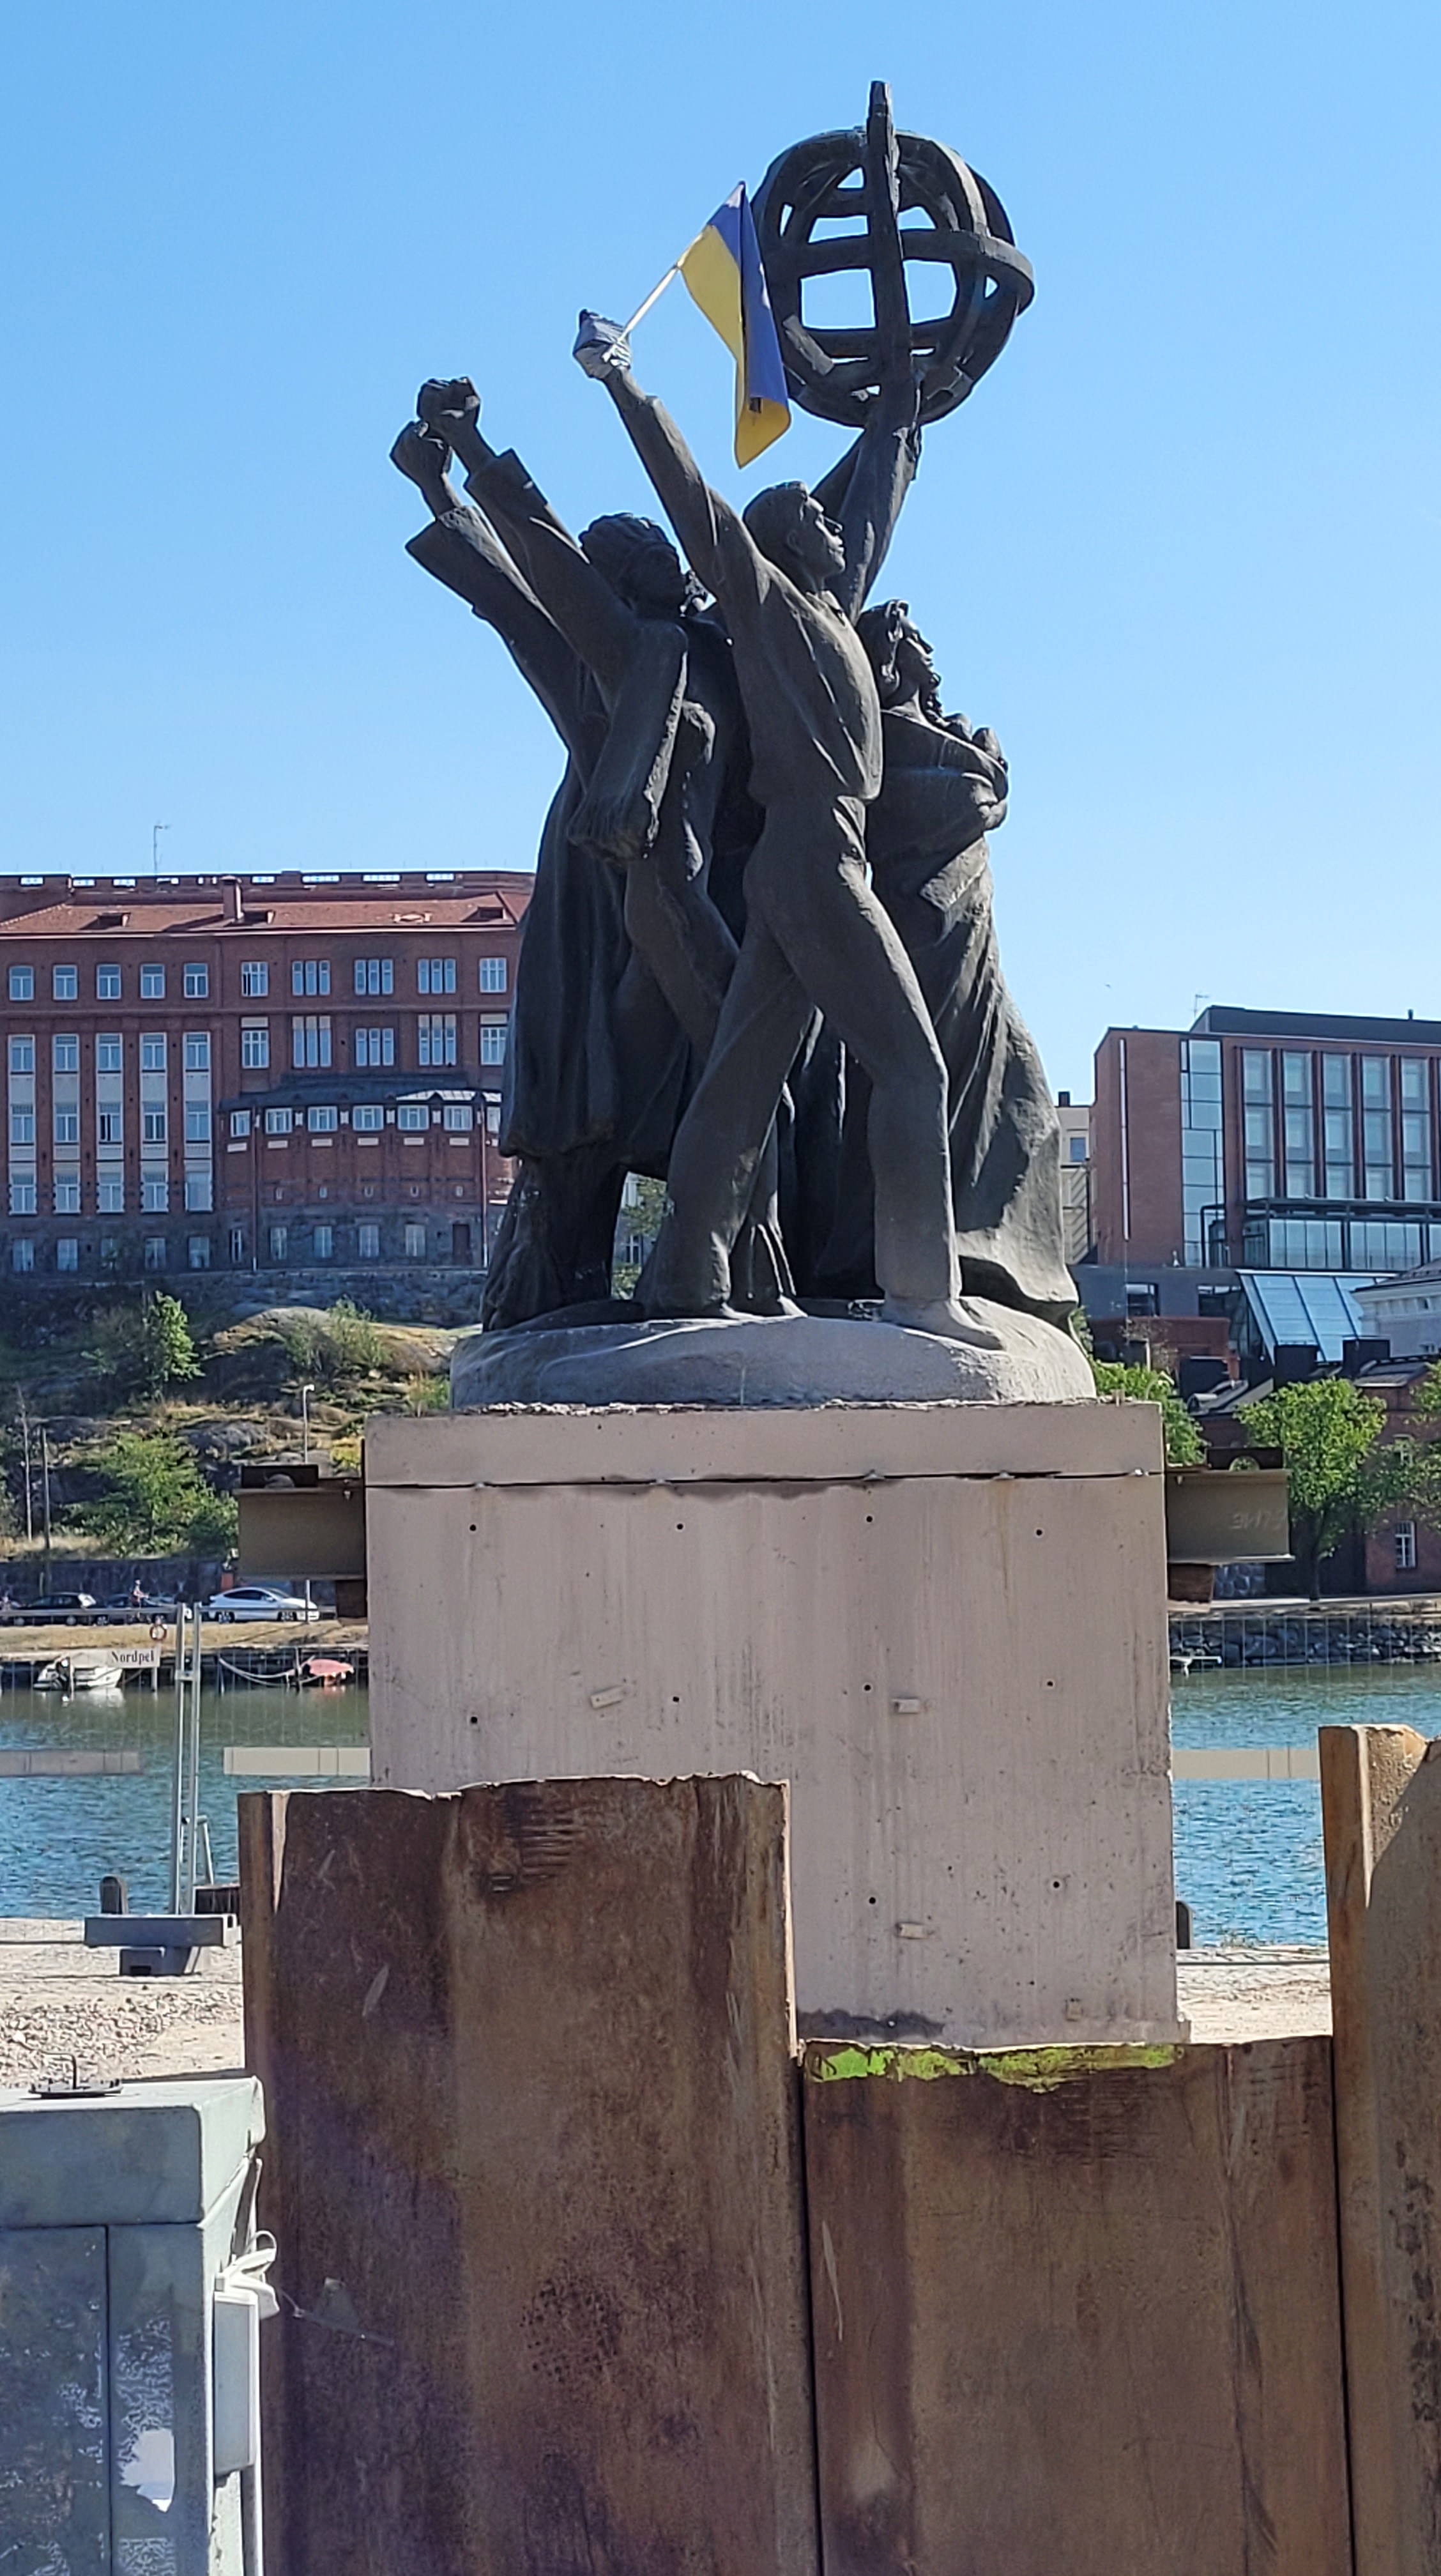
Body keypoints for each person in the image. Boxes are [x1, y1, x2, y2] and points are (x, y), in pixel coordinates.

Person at [573, 312, 1000, 1345]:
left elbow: (871, 508)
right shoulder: (763, 602)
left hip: (802, 867)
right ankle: (922, 1290)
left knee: (738, 1084)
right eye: (811, 512)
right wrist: (625, 384)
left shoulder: (830, 612)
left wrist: (899, 418)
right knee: (913, 1068)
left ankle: (687, 1273)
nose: (830, 521)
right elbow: (692, 500)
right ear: (778, 540)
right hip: (816, 862)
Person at [812, 602, 1076, 1326]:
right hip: (920, 924)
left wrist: (984, 783)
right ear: (890, 656)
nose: (931, 655)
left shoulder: (942, 730)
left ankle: (994, 1250)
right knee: (918, 1080)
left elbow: (983, 793)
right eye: (916, 643)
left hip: (971, 934)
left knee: (1022, 1098)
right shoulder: (879, 735)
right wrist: (984, 785)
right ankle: (894, 1253)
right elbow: (950, 802)